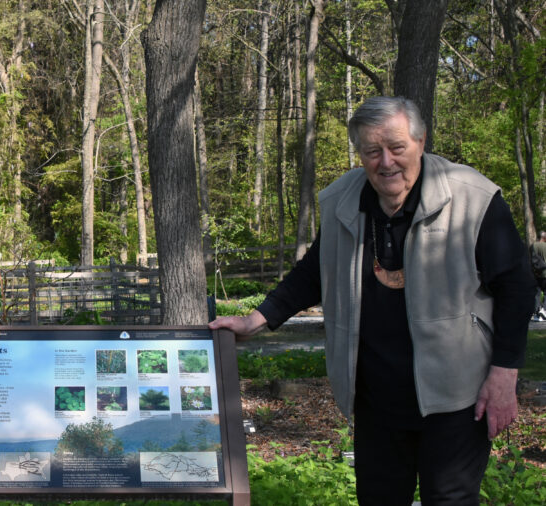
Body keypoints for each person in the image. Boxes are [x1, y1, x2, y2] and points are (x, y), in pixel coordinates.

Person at [210, 96, 534, 505]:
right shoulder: (344, 201)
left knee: (450, 499)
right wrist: (255, 320)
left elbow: (517, 288)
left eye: (397, 147)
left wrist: (504, 376)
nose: (386, 162)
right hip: (376, 397)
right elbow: (314, 272)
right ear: (360, 154)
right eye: (371, 151)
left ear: (421, 141)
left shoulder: (474, 199)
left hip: (456, 395)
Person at [531, 231, 546, 320]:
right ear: (544, 238)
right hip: (545, 273)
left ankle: (536, 313)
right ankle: (544, 310)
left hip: (535, 274)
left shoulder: (532, 246)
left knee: (537, 294)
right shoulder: (545, 246)